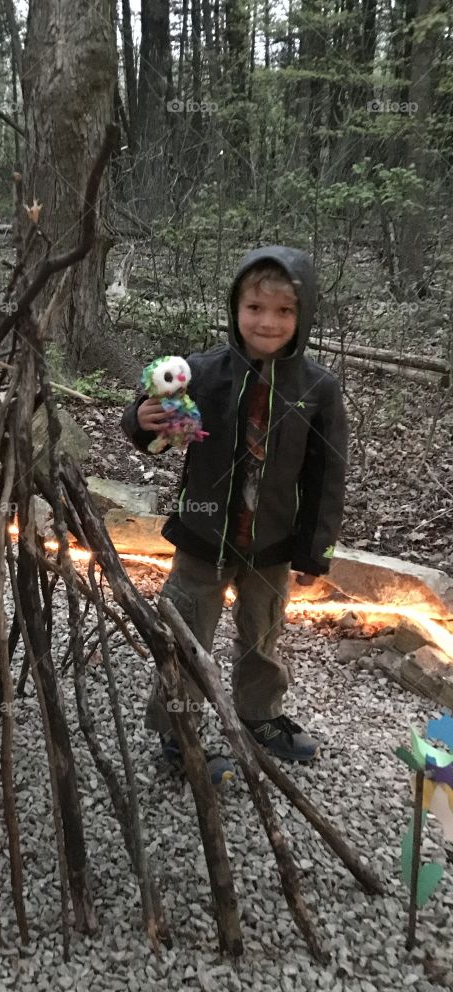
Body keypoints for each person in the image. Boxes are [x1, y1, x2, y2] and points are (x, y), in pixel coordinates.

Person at [122, 246, 348, 781]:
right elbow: (151, 423)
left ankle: (258, 715)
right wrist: (142, 418)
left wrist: (315, 550)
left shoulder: (319, 389)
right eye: (255, 308)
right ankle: (179, 731)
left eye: (284, 311)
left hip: (272, 544)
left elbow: (326, 477)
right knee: (186, 635)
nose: (267, 322)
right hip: (203, 537)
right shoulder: (201, 373)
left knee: (263, 634)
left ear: (304, 314)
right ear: (235, 308)